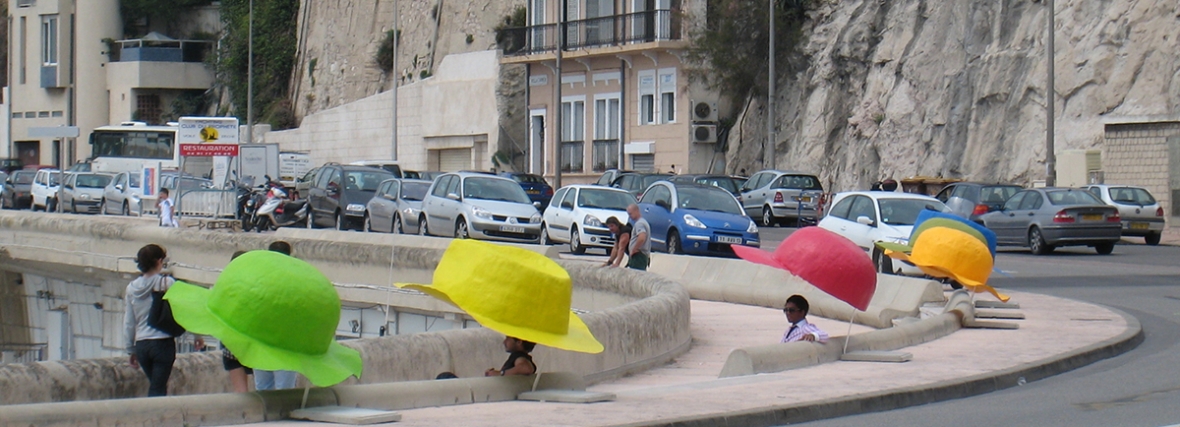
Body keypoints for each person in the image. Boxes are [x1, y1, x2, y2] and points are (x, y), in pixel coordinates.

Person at [123, 244, 177, 396]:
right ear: (159, 261)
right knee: (158, 387)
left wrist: (130, 349)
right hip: (162, 342)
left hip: (142, 344)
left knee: (157, 384)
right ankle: (156, 416)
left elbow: (129, 321)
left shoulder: (131, 288)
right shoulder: (166, 283)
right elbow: (181, 310)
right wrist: (196, 335)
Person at [254, 242, 298, 390]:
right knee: (284, 392)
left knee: (263, 390)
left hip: (261, 340)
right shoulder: (295, 280)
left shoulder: (259, 278)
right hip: (286, 343)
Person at [222, 250, 253, 393]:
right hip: (250, 346)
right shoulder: (253, 287)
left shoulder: (225, 286)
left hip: (231, 346)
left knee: (240, 393)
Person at [626, 204, 651, 270]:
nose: (629, 216)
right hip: (641, 255)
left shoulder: (639, 224)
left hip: (638, 256)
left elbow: (642, 237)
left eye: (630, 214)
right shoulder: (643, 222)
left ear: (636, 211)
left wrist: (634, 249)